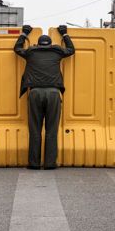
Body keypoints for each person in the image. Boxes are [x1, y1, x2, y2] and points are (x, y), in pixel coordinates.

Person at [14, 24, 75, 170]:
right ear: (50, 44)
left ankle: (34, 163)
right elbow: (71, 50)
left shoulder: (31, 52)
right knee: (51, 130)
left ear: (38, 44)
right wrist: (64, 34)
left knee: (35, 129)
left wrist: (24, 33)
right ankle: (49, 163)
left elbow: (17, 49)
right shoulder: (57, 51)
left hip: (35, 93)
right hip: (53, 93)